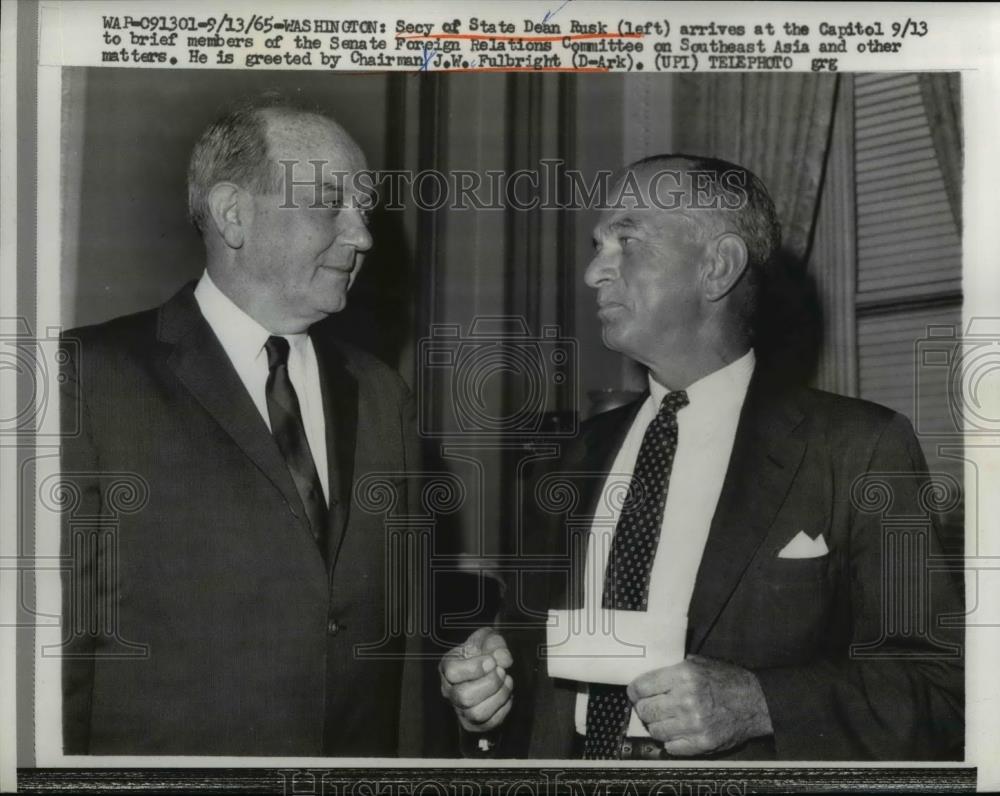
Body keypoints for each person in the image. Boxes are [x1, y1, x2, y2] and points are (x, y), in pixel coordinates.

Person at [440, 155, 964, 760]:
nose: (592, 273)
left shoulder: (857, 448)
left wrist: (762, 703)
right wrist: (487, 695)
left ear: (717, 266)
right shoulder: (572, 457)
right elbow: (528, 673)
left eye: (626, 240)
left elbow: (943, 693)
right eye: (597, 245)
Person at [59, 95, 423, 756]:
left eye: (364, 207)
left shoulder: (383, 396)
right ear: (233, 214)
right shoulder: (87, 379)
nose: (363, 234)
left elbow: (404, 643)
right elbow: (57, 651)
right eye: (330, 202)